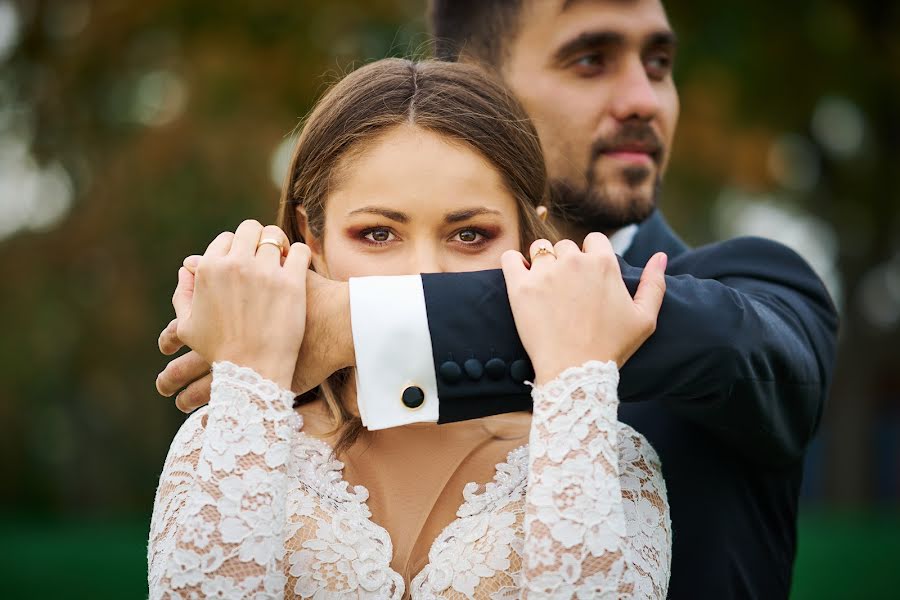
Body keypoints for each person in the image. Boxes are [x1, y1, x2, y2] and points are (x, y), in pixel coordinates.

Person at [156, 1, 839, 597]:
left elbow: (754, 357)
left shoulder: (749, 291)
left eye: (659, 63)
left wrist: (355, 324)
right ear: (472, 78)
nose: (643, 98)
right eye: (590, 59)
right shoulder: (251, 413)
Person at [148, 58, 673, 598]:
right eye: (377, 234)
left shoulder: (606, 452)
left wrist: (574, 387)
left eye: (470, 235)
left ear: (524, 238)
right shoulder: (220, 440)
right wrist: (251, 382)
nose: (425, 274)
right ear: (314, 237)